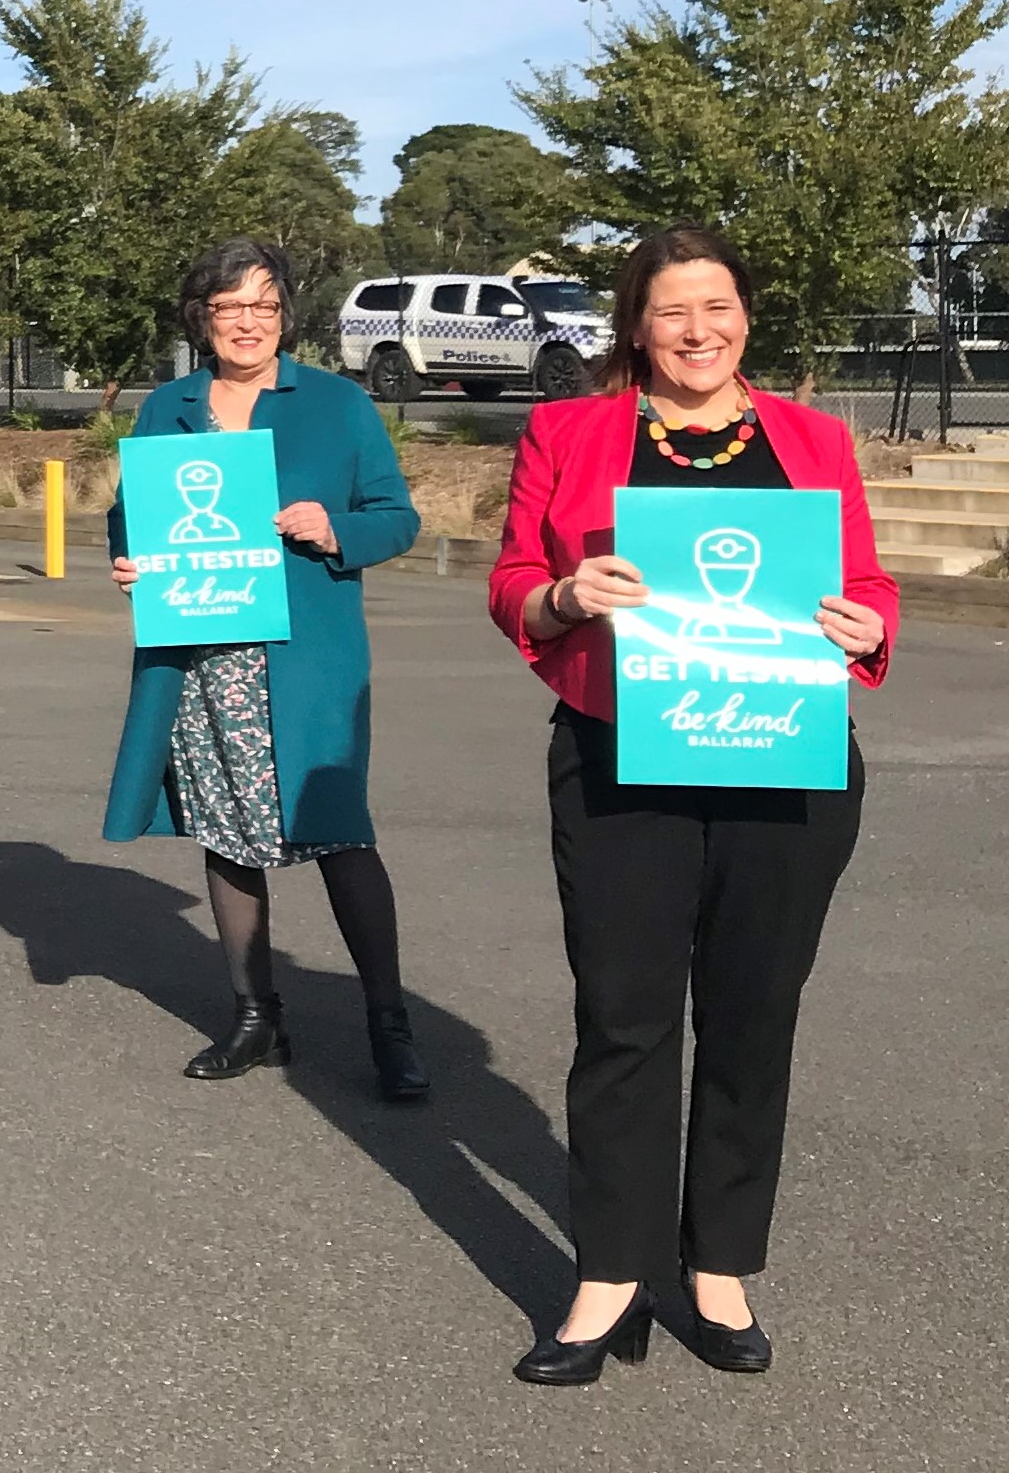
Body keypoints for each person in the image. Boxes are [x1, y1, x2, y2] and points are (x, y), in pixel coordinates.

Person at [488, 226, 898, 1385]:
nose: (697, 329)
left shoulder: (814, 439)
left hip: (783, 764)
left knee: (751, 1017)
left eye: (717, 306)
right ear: (635, 324)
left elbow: (861, 582)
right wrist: (564, 594)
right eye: (672, 310)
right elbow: (515, 582)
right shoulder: (567, 431)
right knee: (622, 1019)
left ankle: (717, 1262)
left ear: (745, 318)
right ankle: (610, 1272)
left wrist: (870, 625)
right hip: (623, 764)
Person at [103, 239, 428, 1099]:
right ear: (200, 317)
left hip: (305, 659)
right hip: (202, 657)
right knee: (223, 830)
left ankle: (389, 1022)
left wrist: (336, 530)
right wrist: (128, 558)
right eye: (228, 306)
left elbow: (399, 518)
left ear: (284, 313)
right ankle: (257, 1014)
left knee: (341, 835)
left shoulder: (336, 403)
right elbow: (128, 515)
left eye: (264, 305)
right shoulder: (166, 408)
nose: (247, 322)